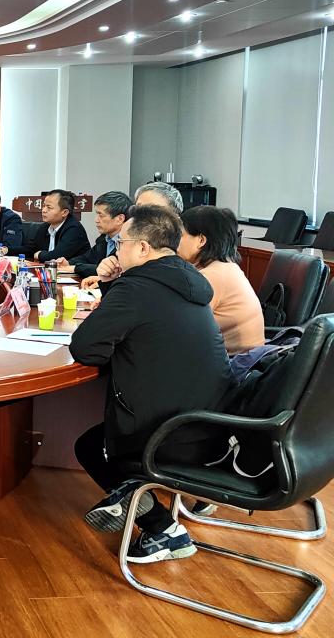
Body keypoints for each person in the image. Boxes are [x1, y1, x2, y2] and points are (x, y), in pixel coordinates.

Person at [70, 205, 233, 563]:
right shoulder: (188, 281)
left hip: (168, 436)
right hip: (211, 427)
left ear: (143, 248)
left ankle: (162, 529)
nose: (116, 250)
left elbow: (85, 347)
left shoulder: (137, 287)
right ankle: (133, 498)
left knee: (91, 447)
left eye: (121, 243)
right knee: (97, 442)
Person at [178, 205, 264, 354]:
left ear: (201, 240)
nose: (175, 241)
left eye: (181, 235)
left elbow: (180, 325)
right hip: (244, 357)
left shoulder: (212, 276)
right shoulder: (225, 267)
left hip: (235, 362)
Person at [59, 191, 131, 285]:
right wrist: (68, 263)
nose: (96, 220)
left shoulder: (129, 243)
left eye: (101, 215)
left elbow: (108, 270)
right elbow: (87, 258)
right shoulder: (103, 238)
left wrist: (76, 268)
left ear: (120, 219)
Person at [29, 189, 91, 262]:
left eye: (49, 207)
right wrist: (15, 249)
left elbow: (56, 257)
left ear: (64, 212)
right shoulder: (45, 227)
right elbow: (30, 249)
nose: (44, 210)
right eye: (44, 206)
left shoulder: (74, 229)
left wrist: (40, 255)